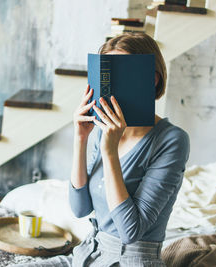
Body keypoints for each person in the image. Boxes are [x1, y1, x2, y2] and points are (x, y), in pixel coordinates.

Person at [68, 32, 190, 266]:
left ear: (151, 80)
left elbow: (130, 231)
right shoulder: (105, 131)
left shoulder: (172, 140)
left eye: (121, 76)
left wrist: (110, 151)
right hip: (92, 255)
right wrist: (80, 137)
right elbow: (80, 208)